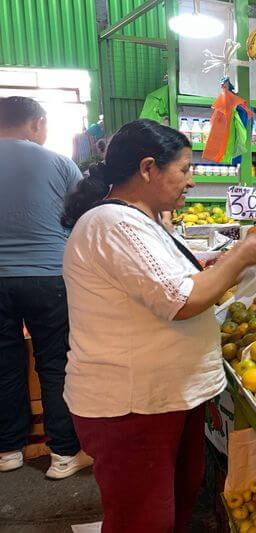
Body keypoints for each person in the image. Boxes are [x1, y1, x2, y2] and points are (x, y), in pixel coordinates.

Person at [60, 119, 256, 532]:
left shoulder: (141, 221)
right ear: (147, 169)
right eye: (184, 169)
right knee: (143, 519)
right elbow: (182, 301)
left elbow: (168, 282)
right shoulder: (113, 224)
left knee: (169, 508)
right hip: (132, 404)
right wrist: (241, 256)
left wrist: (214, 266)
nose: (190, 181)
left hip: (164, 399)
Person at [0, 96, 92, 479]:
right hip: (48, 275)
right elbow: (82, 215)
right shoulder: (57, 162)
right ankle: (63, 456)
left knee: (3, 363)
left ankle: (7, 450)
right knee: (54, 363)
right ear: (37, 123)